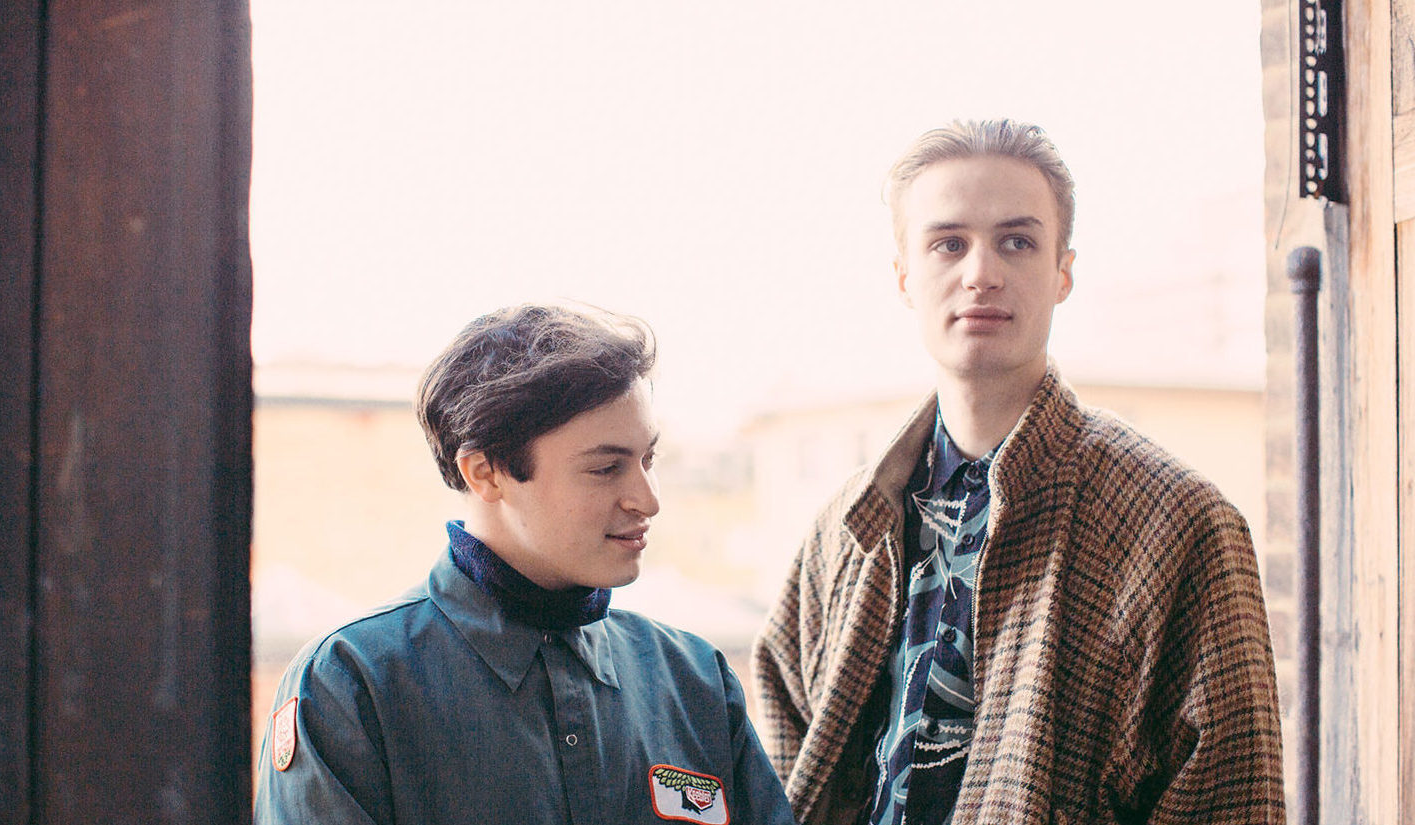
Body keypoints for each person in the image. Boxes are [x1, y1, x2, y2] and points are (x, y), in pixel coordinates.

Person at [752, 120, 1285, 825]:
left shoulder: (1178, 524)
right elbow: (783, 768)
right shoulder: (844, 530)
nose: (981, 273)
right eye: (949, 243)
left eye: (1017, 241)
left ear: (1063, 271)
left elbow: (1231, 801)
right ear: (905, 277)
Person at [255, 303, 796, 825]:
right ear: (485, 473)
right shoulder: (350, 687)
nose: (648, 500)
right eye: (606, 468)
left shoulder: (697, 680)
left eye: (648, 459)